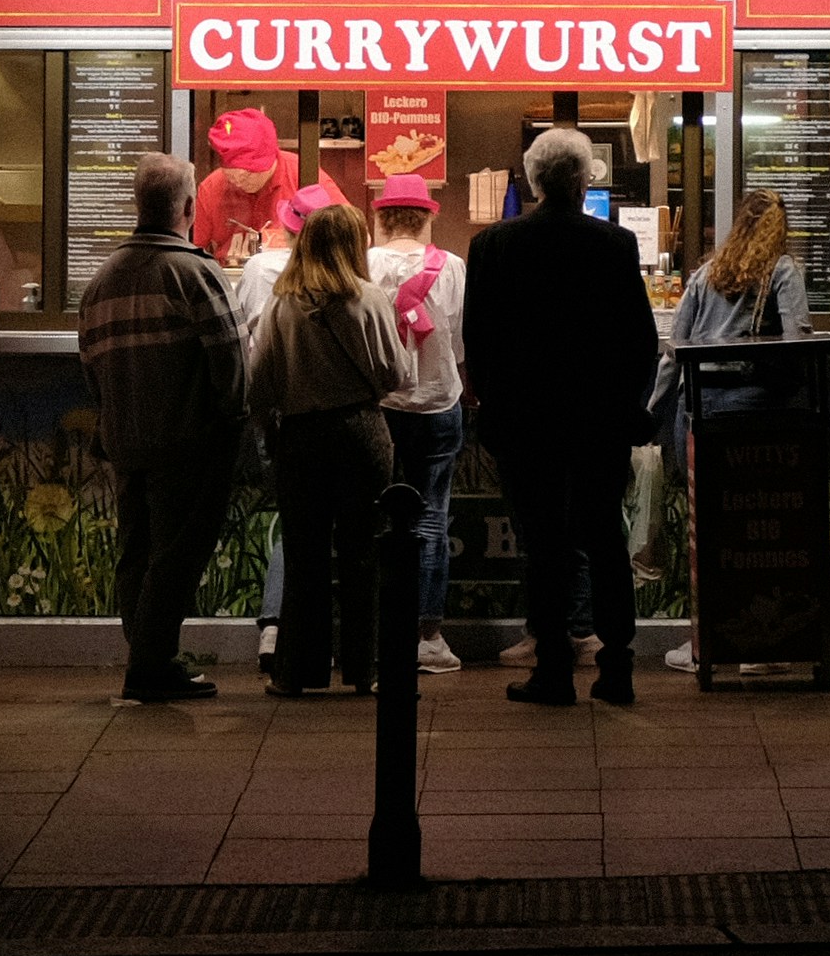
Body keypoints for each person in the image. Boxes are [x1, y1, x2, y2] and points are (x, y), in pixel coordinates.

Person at [461, 127, 660, 706]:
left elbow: (481, 340)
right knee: (602, 539)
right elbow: (639, 340)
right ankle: (616, 668)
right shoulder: (614, 245)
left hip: (527, 423)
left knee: (544, 545)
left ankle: (552, 669)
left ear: (530, 180)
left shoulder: (494, 246)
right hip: (598, 421)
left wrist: (496, 404)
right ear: (582, 180)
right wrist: (628, 407)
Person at [78, 152, 248, 703]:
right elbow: (232, 362)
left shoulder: (99, 282)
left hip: (126, 441)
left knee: (137, 553)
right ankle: (150, 665)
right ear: (188, 206)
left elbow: (92, 374)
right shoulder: (194, 272)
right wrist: (232, 421)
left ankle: (146, 655)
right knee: (177, 555)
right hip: (188, 441)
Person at [247, 198, 412, 696]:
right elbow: (398, 375)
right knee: (364, 551)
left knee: (305, 554)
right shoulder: (369, 297)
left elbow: (259, 386)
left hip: (300, 436)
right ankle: (366, 670)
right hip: (361, 431)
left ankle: (301, 671)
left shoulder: (280, 302)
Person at [648, 188, 807, 670]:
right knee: (759, 530)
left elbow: (675, 352)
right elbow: (797, 340)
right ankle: (758, 647)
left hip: (700, 412)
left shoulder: (702, 276)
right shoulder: (784, 271)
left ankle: (705, 642)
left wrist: (653, 412)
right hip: (759, 410)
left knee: (707, 529)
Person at [367, 173, 470, 671]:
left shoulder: (361, 265)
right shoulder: (451, 266)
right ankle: (428, 636)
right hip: (437, 406)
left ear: (381, 218)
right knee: (431, 520)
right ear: (428, 216)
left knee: (376, 519)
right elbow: (461, 345)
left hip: (381, 408)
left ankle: (377, 632)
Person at [196, 108, 296, 259]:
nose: (239, 182)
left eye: (248, 174)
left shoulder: (304, 176)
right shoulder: (212, 188)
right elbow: (189, 251)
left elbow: (341, 242)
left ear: (271, 160)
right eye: (231, 176)